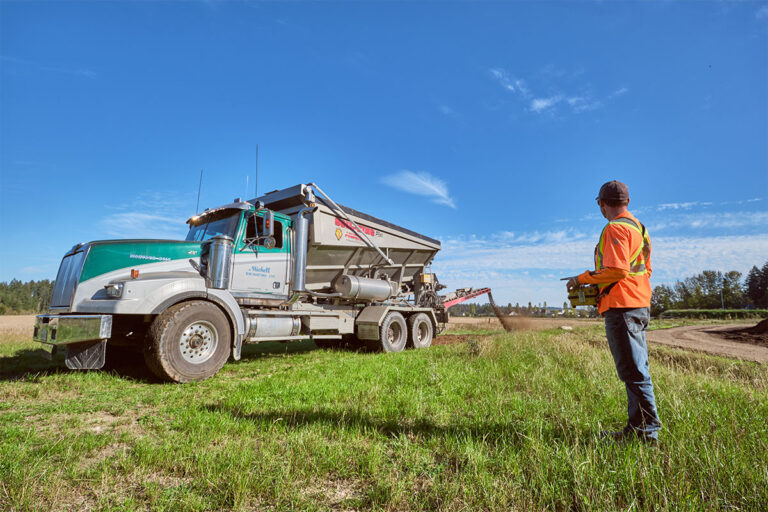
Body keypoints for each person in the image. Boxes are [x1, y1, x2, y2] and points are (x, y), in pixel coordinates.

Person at [567, 180, 661, 444]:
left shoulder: (615, 229)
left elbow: (618, 270)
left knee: (633, 371)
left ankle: (645, 432)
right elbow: (645, 270)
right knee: (636, 369)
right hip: (638, 303)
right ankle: (639, 428)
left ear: (601, 204)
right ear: (627, 202)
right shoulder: (639, 228)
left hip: (623, 308)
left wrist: (582, 279)